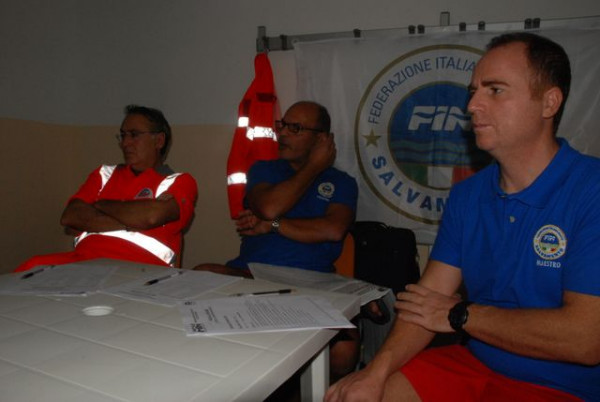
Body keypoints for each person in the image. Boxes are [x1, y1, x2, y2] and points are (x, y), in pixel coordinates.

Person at [325, 32, 600, 402]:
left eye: (495, 90)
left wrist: (462, 315)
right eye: (473, 91)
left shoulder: (591, 190)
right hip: (476, 364)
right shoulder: (467, 195)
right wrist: (374, 371)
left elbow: (586, 339)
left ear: (549, 102)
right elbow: (428, 302)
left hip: (563, 387)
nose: (472, 105)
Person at [195, 101, 360, 382]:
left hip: (311, 282)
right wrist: (313, 168)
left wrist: (272, 226)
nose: (282, 133)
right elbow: (270, 206)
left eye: (295, 128)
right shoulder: (263, 170)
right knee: (201, 275)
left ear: (322, 139)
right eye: (282, 125)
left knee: (344, 353)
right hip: (252, 274)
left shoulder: (342, 182)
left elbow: (332, 230)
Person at [16, 105, 198, 272]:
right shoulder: (104, 174)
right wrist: (135, 221)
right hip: (82, 263)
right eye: (123, 135)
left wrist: (99, 204)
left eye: (134, 135)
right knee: (32, 267)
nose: (125, 143)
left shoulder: (179, 181)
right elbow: (70, 216)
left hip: (140, 271)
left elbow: (151, 216)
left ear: (159, 140)